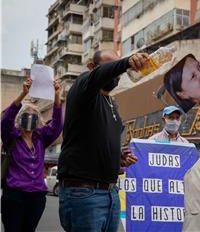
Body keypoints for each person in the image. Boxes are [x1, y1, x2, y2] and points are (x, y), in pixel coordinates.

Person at [57, 50, 148, 232]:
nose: (115, 74)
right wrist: (126, 62)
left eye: (117, 70)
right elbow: (99, 75)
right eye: (110, 66)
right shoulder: (82, 88)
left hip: (111, 193)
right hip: (84, 193)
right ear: (92, 67)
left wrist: (118, 156)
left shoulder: (111, 103)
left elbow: (96, 139)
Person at [1, 78, 63, 232]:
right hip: (14, 194)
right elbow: (6, 120)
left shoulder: (41, 138)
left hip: (37, 195)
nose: (30, 117)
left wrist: (56, 96)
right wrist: (23, 94)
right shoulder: (11, 136)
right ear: (19, 118)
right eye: (26, 114)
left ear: (38, 120)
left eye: (34, 114)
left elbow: (56, 126)